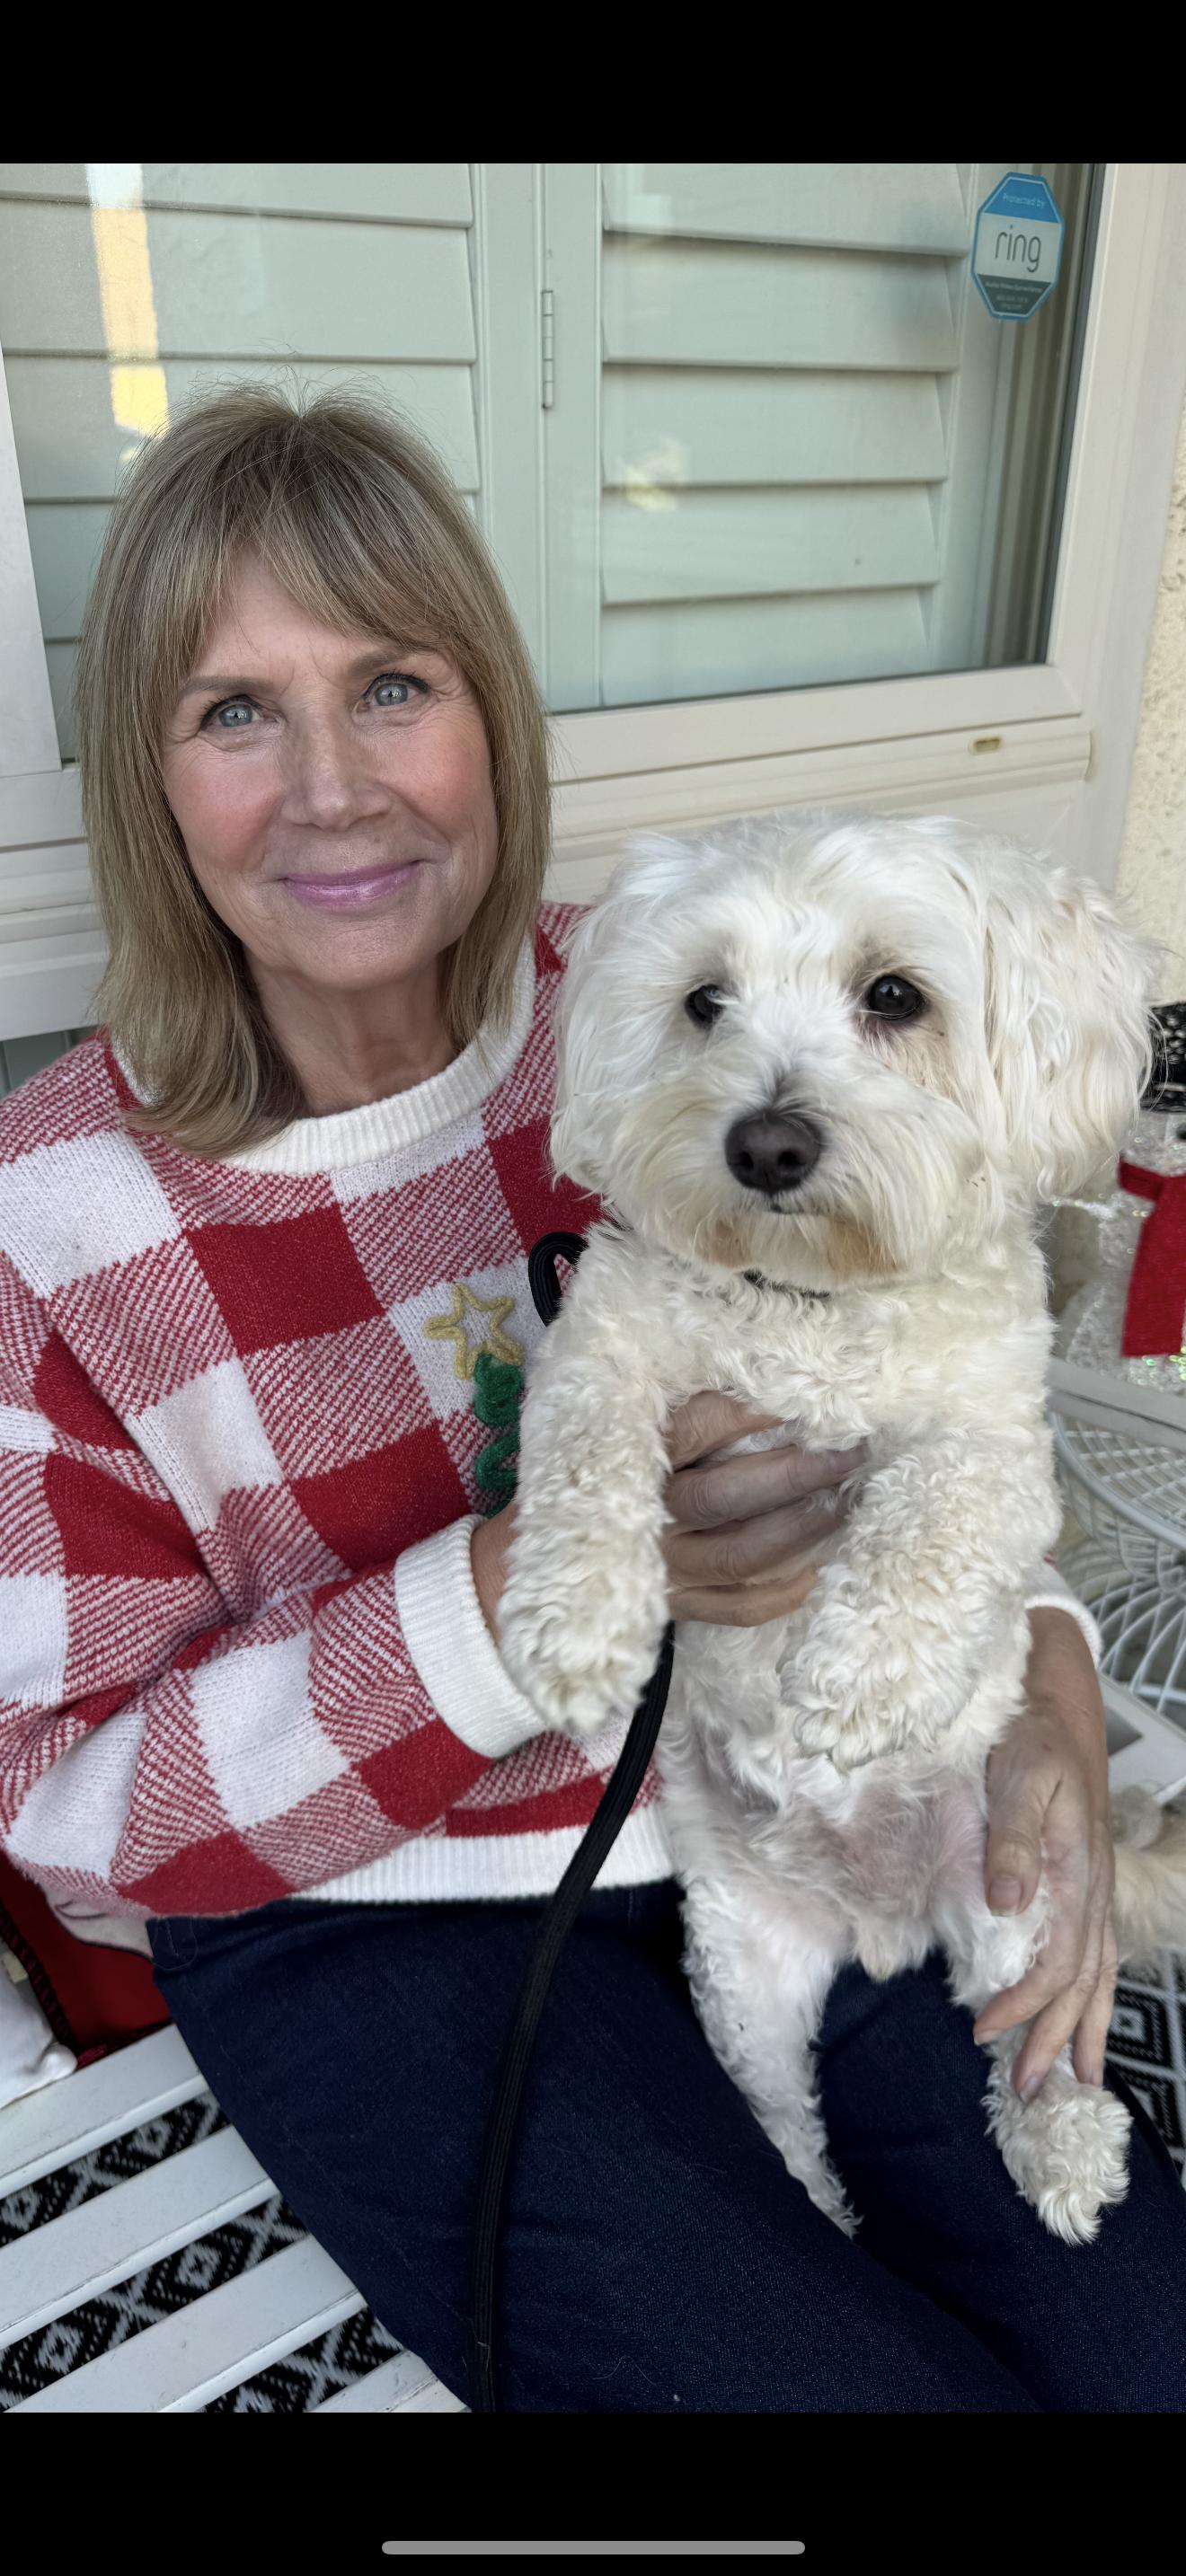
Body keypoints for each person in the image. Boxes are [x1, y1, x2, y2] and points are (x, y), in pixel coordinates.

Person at [1, 389, 1182, 2413]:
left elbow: (930, 1384)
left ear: (492, 717)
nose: (333, 791)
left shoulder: (677, 997)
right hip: (374, 1921)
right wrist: (508, 1593)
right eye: (234, 711)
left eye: (393, 684)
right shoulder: (53, 1217)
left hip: (790, 1791)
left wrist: (1054, 1696)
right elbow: (69, 1799)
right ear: (145, 776)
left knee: (1149, 2354)